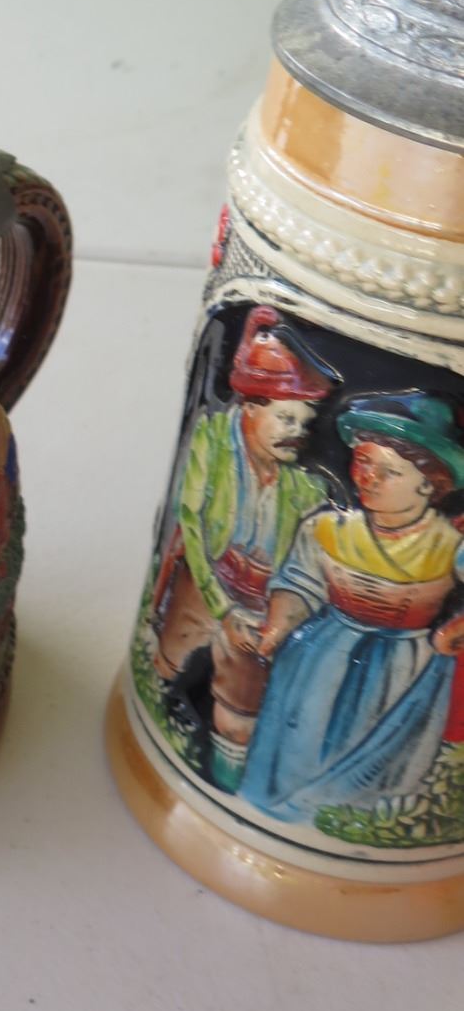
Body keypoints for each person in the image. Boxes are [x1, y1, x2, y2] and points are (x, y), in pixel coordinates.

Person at [241, 394, 464, 824]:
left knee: (378, 762)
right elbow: (299, 584)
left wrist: (454, 631)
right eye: (363, 463)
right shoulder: (328, 528)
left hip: (406, 672)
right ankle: (277, 811)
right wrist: (276, 628)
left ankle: (357, 823)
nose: (368, 479)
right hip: (321, 659)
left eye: (389, 472)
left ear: (428, 483)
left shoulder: (448, 545)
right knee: (303, 736)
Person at [151, 306, 335, 790]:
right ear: (251, 407)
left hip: (259, 604)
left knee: (244, 696)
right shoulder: (214, 440)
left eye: (305, 422)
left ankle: (226, 780)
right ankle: (166, 715)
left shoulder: (306, 490)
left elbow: (303, 568)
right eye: (287, 417)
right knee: (173, 656)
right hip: (207, 579)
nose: (298, 432)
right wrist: (222, 607)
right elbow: (192, 522)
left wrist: (270, 621)